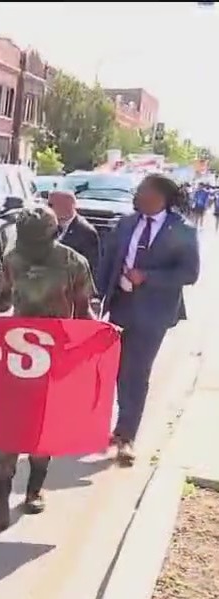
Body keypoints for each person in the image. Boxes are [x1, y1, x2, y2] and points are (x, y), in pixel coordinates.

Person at [0, 206, 97, 536]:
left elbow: (84, 313)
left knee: (44, 430)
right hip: (17, 356)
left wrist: (101, 342)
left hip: (55, 360)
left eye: (36, 243)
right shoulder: (14, 258)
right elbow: (4, 298)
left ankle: (34, 489)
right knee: (6, 430)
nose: (30, 250)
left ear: (54, 235)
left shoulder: (73, 263)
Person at [95, 174, 199, 466]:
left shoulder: (182, 231)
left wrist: (148, 277)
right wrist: (95, 296)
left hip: (154, 313)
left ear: (159, 196)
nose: (137, 194)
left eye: (142, 190)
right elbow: (108, 263)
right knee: (114, 369)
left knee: (136, 372)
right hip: (120, 307)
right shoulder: (126, 224)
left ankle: (126, 436)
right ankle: (113, 427)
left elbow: (190, 274)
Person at [47, 190, 100, 272]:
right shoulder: (48, 225)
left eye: (50, 205)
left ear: (66, 206)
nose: (48, 209)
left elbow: (89, 267)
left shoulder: (85, 232)